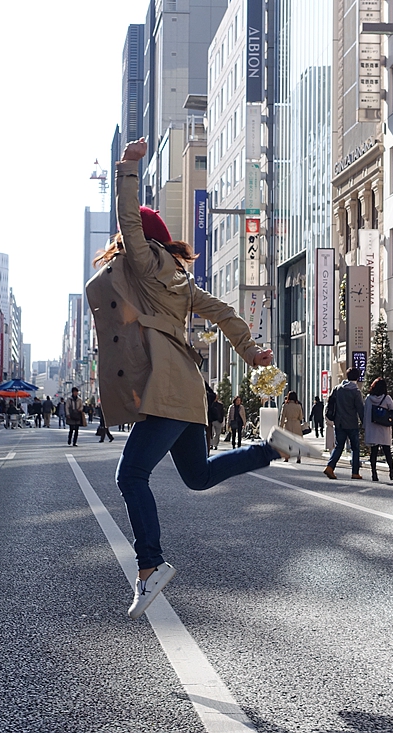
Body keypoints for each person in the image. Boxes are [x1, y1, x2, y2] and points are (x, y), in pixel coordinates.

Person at [87, 137, 306, 620]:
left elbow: (128, 221)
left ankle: (149, 567)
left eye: (129, 239)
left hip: (168, 391)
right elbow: (226, 312)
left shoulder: (144, 265)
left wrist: (127, 168)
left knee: (130, 475)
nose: (123, 245)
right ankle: (273, 448)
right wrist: (250, 352)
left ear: (139, 240)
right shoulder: (179, 279)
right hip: (186, 391)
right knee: (199, 475)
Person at [324, 368, 365, 479]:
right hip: (352, 423)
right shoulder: (356, 392)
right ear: (357, 377)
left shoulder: (337, 389)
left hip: (339, 423)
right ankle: (355, 472)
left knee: (338, 446)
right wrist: (364, 423)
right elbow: (360, 409)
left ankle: (330, 467)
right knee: (355, 448)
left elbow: (330, 403)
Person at [364, 378, 393, 481]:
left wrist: (366, 428)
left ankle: (374, 473)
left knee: (373, 452)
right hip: (384, 428)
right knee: (387, 451)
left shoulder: (368, 399)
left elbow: (366, 414)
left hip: (372, 429)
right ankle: (391, 470)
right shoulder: (387, 398)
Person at [278, 391, 307, 463]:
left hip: (288, 424)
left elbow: (282, 417)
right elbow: (301, 417)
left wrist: (280, 427)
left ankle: (287, 457)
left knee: (287, 442)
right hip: (296, 424)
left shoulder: (285, 405)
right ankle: (298, 457)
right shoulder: (298, 406)